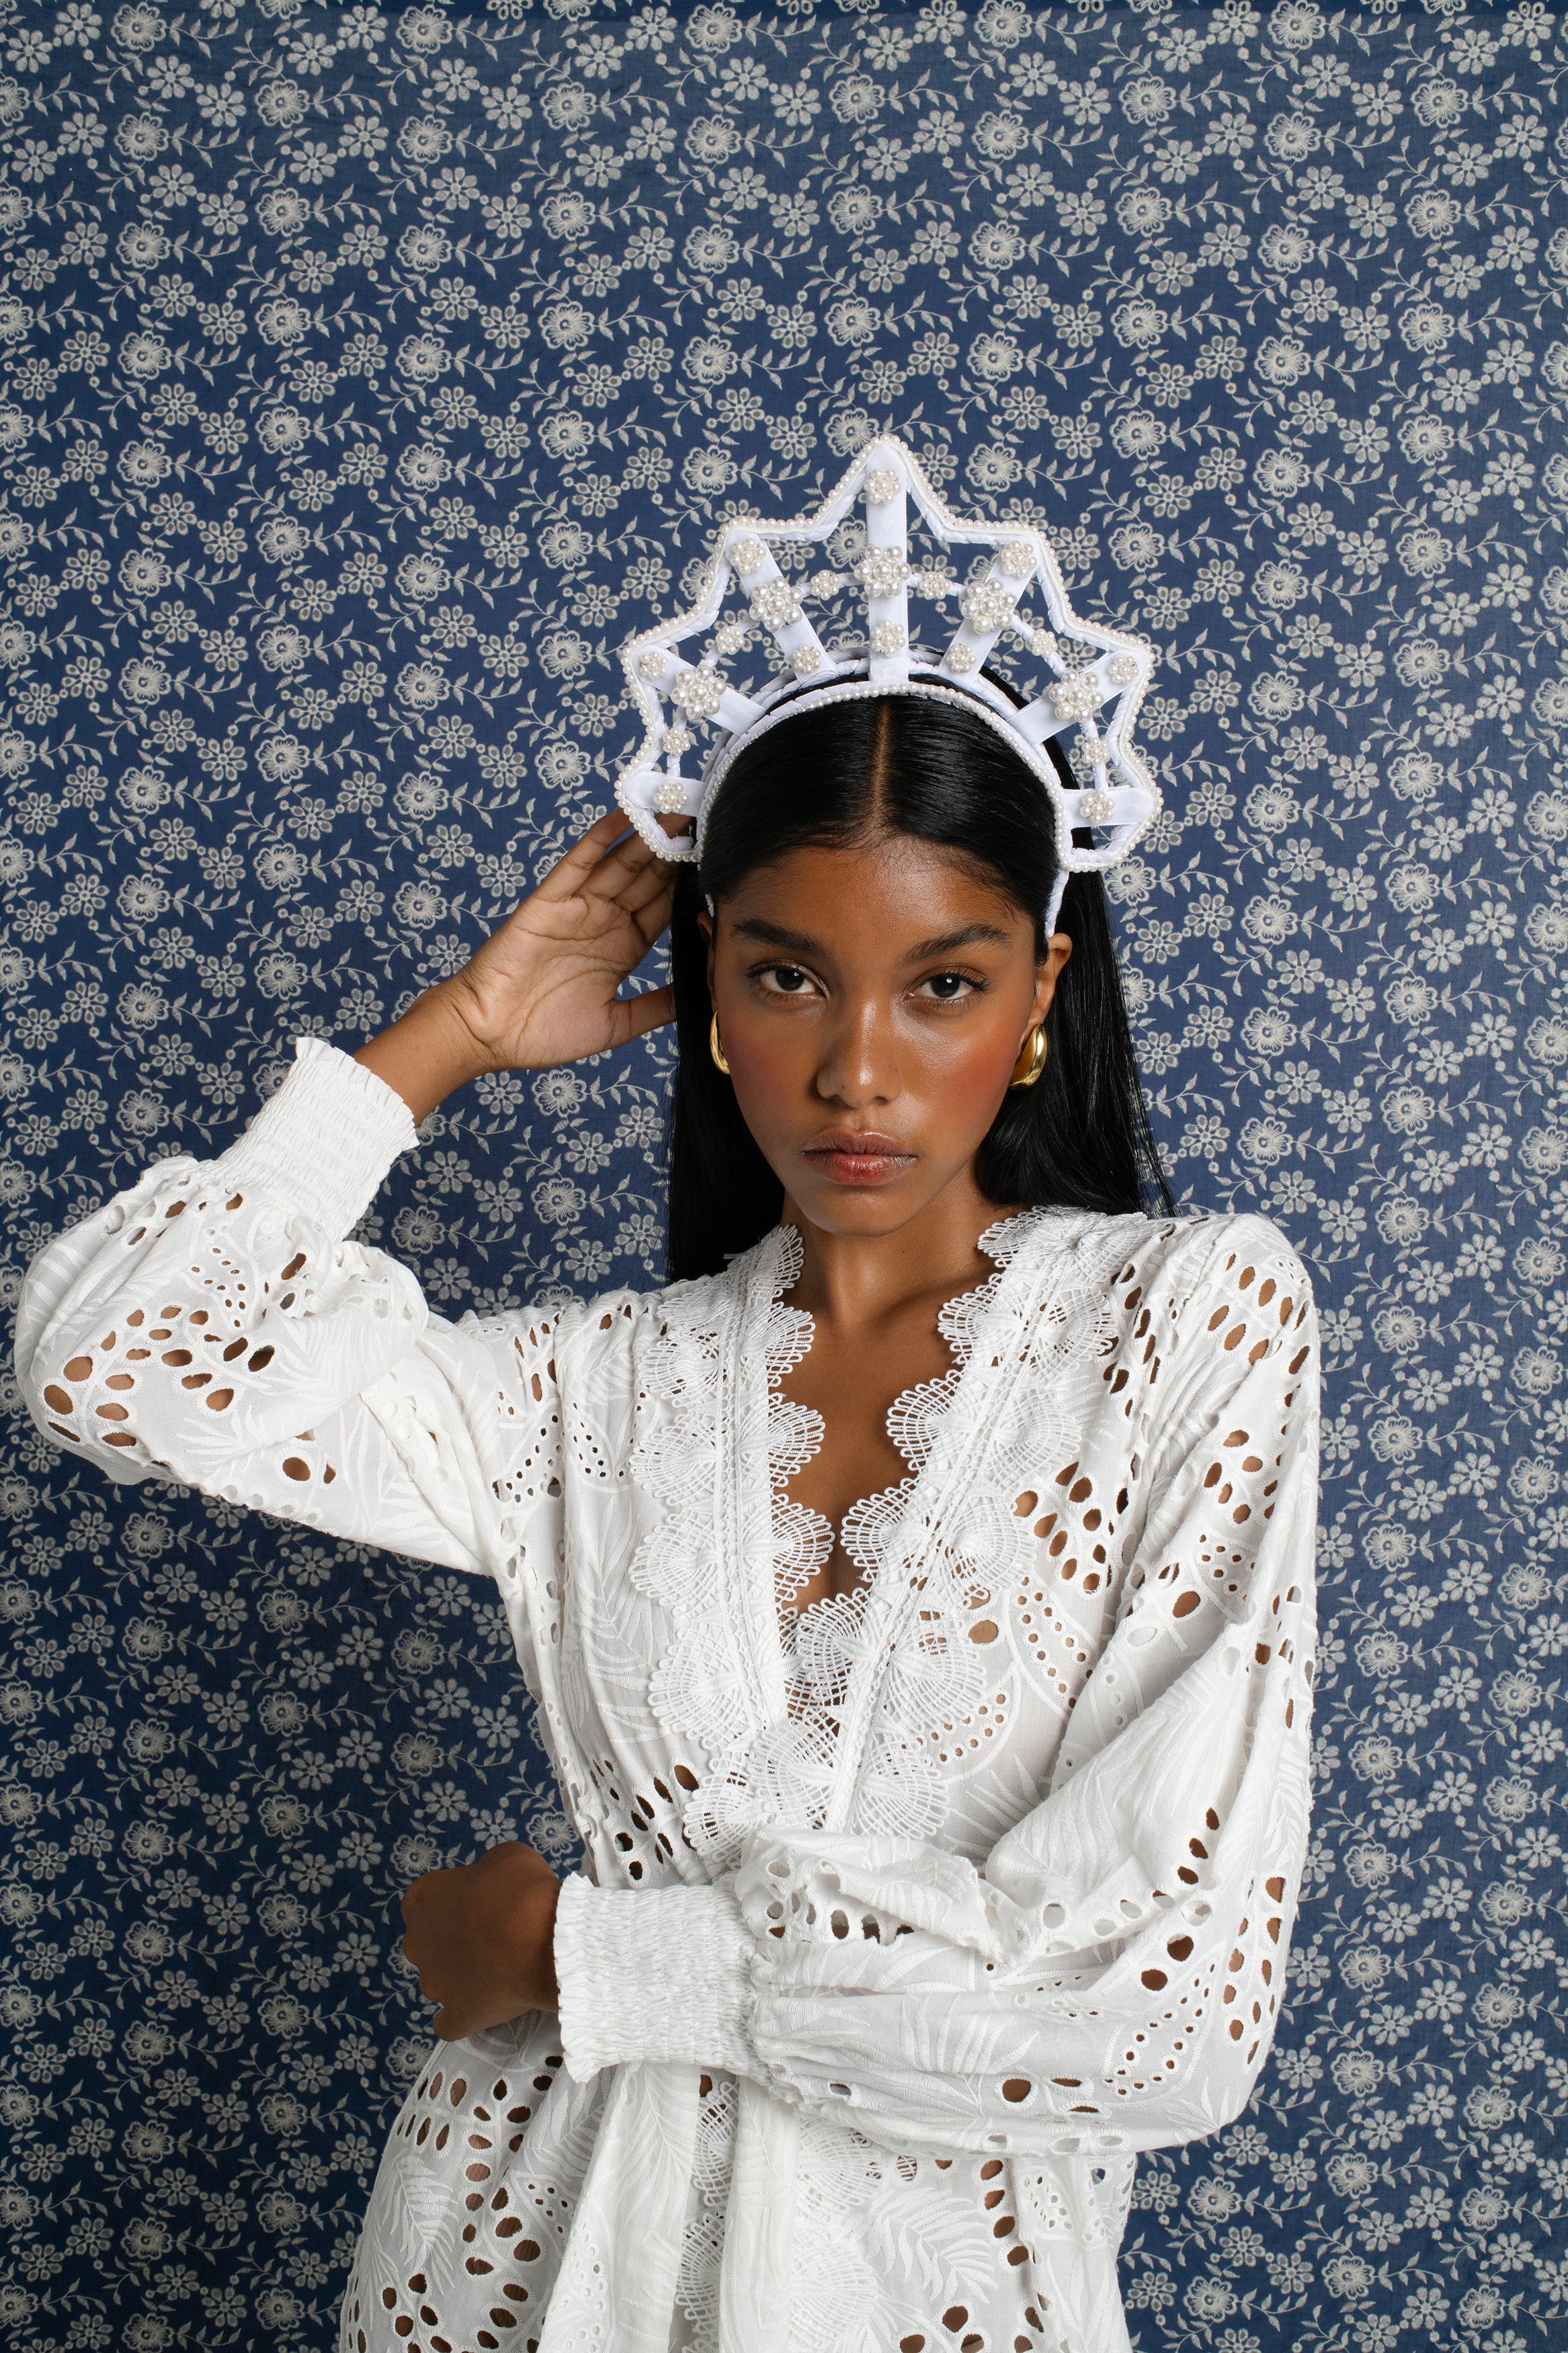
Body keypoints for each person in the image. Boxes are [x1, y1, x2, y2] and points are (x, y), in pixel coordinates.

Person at [17, 443, 1319, 2353]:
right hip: (527, 2271)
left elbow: (1158, 2009)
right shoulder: (591, 1386)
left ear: (1040, 993)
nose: (857, 1068)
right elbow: (102, 1355)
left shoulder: (1193, 1321)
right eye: (789, 974)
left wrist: (581, 1952)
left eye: (941, 985)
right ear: (710, 981)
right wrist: (446, 1038)